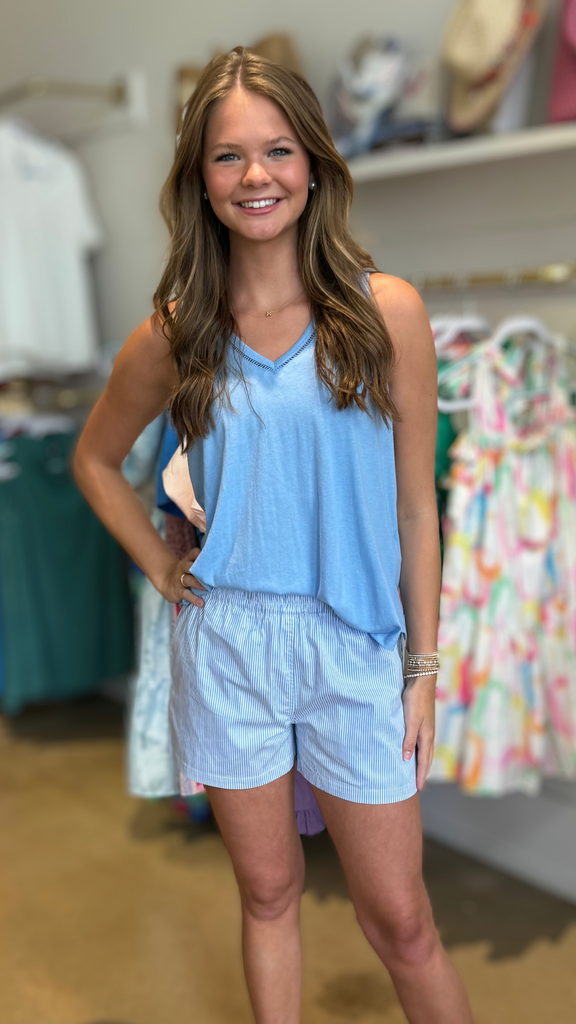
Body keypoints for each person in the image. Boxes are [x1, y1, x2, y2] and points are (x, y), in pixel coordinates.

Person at [74, 47, 474, 1024]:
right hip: (230, 644)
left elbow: (417, 506)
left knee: (403, 922)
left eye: (278, 150)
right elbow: (95, 460)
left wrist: (422, 666)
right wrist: (164, 569)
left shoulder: (389, 315)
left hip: (355, 647)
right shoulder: (178, 329)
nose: (256, 175)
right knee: (268, 894)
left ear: (315, 165)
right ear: (200, 181)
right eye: (228, 157)